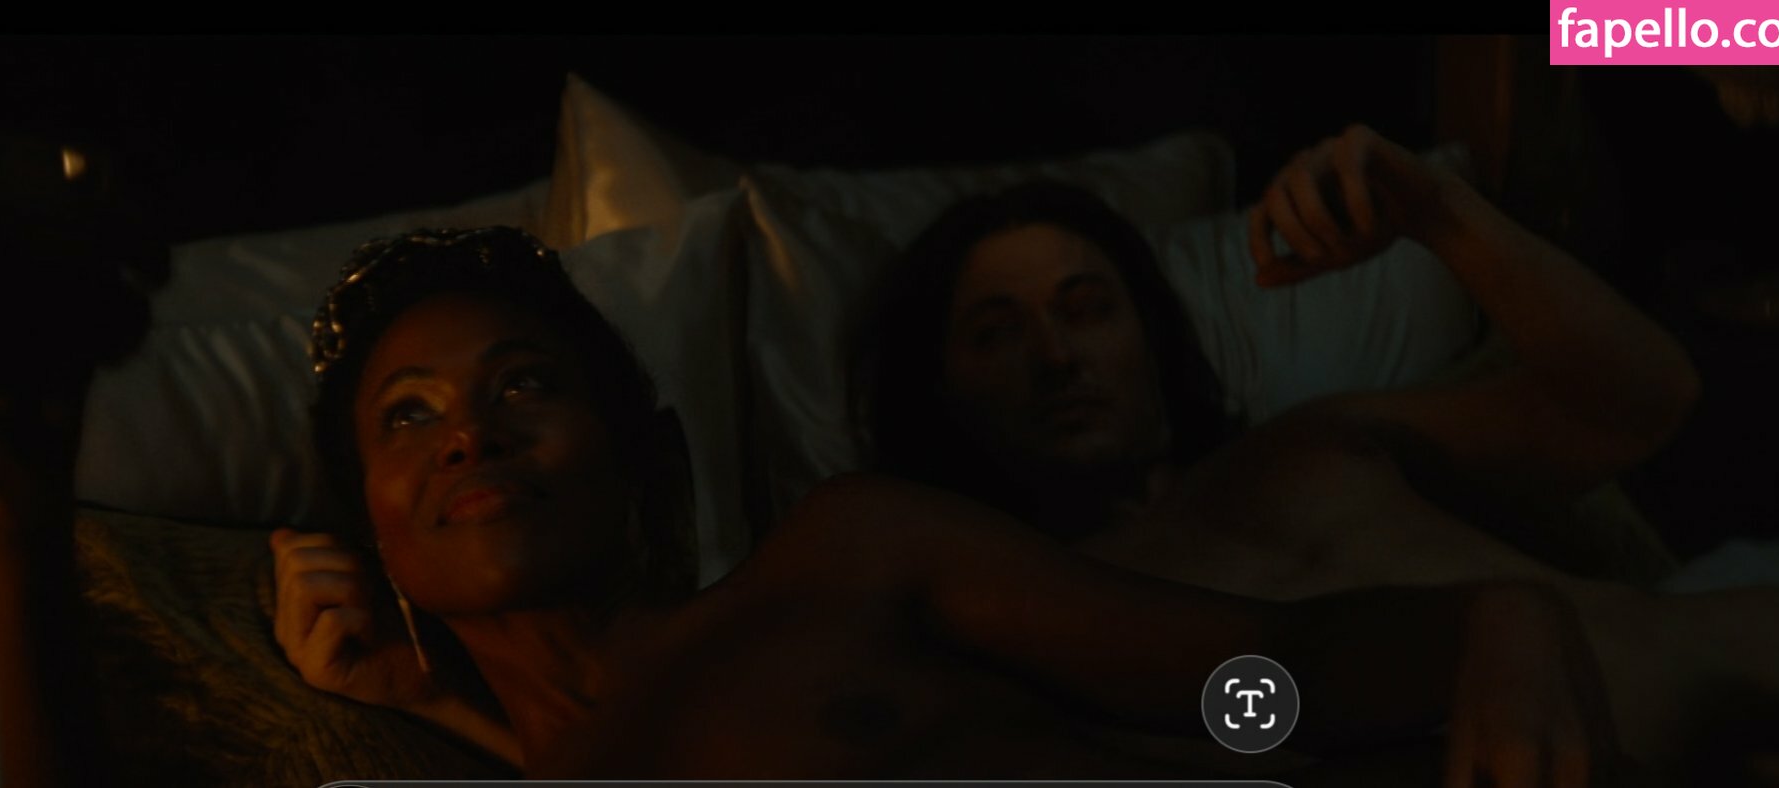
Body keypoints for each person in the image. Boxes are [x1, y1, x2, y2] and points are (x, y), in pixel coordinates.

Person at [236, 227, 1618, 783]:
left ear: (644, 454)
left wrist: (1486, 633)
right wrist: (425, 705)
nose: (468, 432)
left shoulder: (841, 564)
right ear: (373, 525)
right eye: (406, 414)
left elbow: (1245, 684)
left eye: (524, 383)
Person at [853, 125, 1779, 783]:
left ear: (1152, 340)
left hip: (1750, 656)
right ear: (941, 394)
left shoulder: (1311, 446)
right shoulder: (1017, 639)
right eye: (996, 333)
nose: (1057, 356)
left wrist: (1437, 212)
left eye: (1087, 309)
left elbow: (1644, 401)